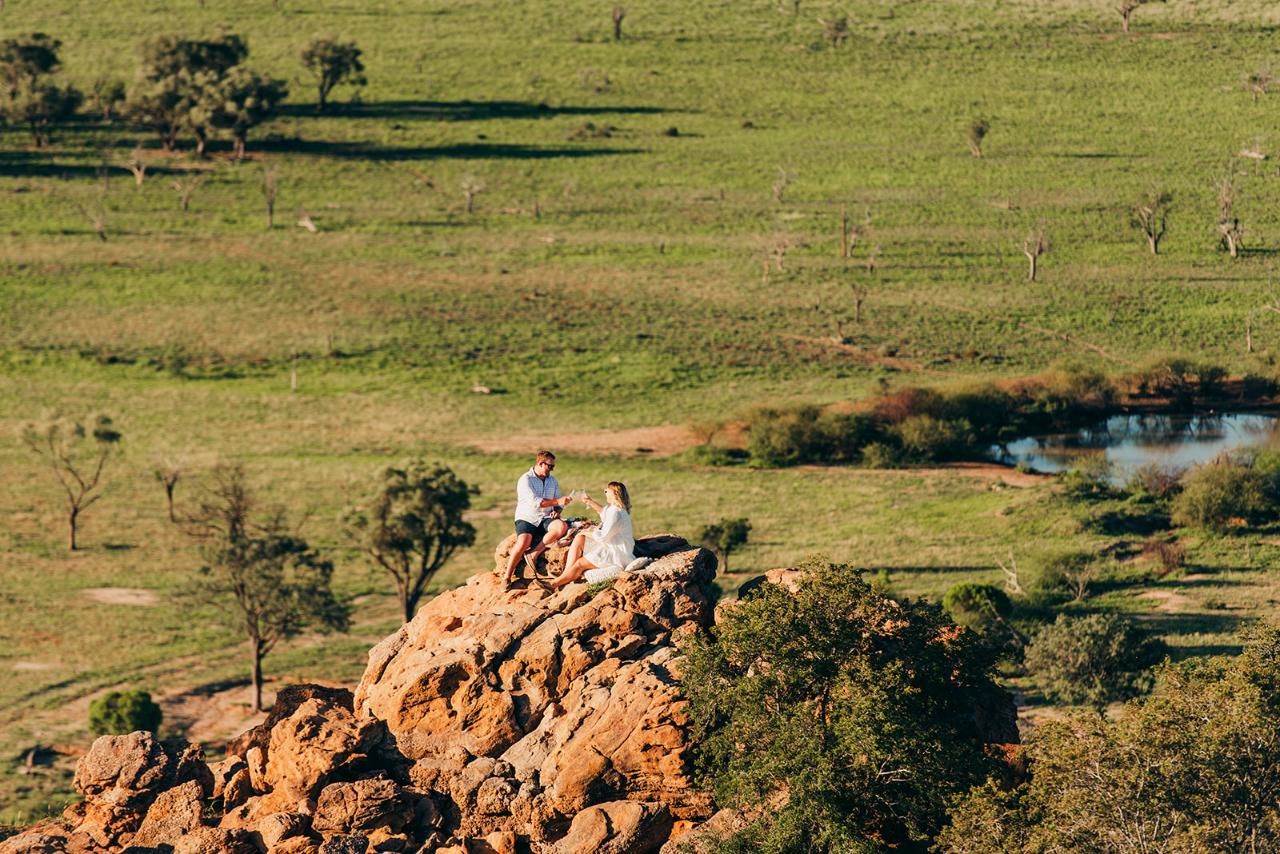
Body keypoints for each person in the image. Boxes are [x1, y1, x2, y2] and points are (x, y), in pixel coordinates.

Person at [500, 450, 572, 588]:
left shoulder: (552, 481)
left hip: (545, 517)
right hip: (527, 517)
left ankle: (533, 554)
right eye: (549, 466)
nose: (551, 470)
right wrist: (558, 501)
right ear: (540, 463)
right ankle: (507, 577)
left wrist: (557, 510)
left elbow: (559, 503)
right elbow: (537, 502)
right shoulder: (526, 480)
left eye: (553, 467)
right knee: (523, 542)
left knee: (561, 527)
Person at [549, 481, 634, 590]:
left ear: (614, 494)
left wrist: (587, 531)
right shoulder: (618, 510)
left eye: (606, 491)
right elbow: (604, 512)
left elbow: (603, 536)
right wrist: (589, 502)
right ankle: (565, 575)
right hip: (617, 547)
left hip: (616, 552)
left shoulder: (615, 512)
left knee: (580, 563)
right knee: (580, 538)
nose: (605, 493)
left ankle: (553, 584)